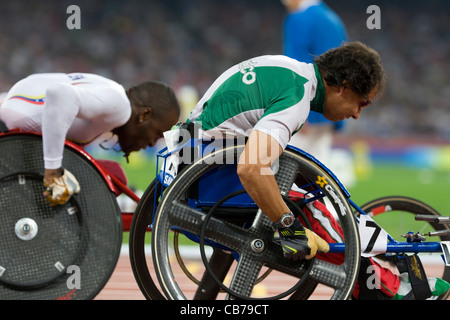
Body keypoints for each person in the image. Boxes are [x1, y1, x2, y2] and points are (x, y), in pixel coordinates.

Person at [186, 42, 449, 299]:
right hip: (209, 177)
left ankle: (388, 253)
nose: (357, 115)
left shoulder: (291, 71)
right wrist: (288, 226)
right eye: (362, 103)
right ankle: (390, 289)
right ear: (343, 88)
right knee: (310, 210)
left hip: (195, 159)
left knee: (315, 191)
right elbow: (252, 168)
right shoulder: (297, 95)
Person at [0, 73, 180, 206]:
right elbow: (59, 93)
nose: (151, 143)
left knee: (105, 172)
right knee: (114, 174)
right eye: (157, 134)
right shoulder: (120, 105)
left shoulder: (108, 93)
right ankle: (126, 206)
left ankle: (125, 205)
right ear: (144, 115)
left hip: (15, 133)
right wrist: (52, 173)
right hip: (14, 137)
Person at [282, 0, 347, 164]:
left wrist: (296, 110)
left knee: (287, 171)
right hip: (330, 111)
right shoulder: (335, 20)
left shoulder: (298, 19)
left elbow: (295, 67)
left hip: (307, 109)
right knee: (318, 172)